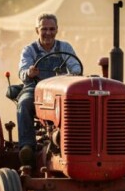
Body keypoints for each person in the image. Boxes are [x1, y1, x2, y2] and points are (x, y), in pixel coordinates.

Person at [16, 13, 83, 166]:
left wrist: (74, 73)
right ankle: (27, 146)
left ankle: (76, 144)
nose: (48, 33)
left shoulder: (64, 47)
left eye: (52, 29)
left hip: (59, 88)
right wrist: (29, 72)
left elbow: (76, 66)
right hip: (35, 87)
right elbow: (22, 71)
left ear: (57, 30)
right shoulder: (30, 50)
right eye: (44, 29)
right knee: (25, 103)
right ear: (36, 30)